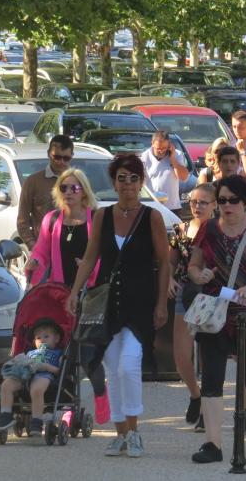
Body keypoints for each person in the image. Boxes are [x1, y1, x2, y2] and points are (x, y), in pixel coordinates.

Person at [67, 153, 170, 458]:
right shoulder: (103, 216)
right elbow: (90, 257)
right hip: (109, 303)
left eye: (134, 178)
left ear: (141, 182)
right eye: (121, 178)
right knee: (112, 366)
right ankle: (120, 433)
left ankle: (135, 432)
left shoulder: (152, 217)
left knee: (129, 363)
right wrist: (75, 291)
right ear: (113, 182)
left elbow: (164, 262)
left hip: (140, 302)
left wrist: (161, 303)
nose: (127, 184)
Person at [187, 175, 246, 461]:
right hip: (215, 311)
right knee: (212, 378)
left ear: (245, 201)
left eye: (233, 200)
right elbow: (193, 266)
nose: (227, 206)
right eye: (222, 200)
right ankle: (213, 444)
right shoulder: (209, 229)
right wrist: (199, 275)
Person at [25, 168, 109, 424]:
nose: (69, 192)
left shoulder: (96, 218)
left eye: (75, 187)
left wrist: (89, 267)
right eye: (64, 187)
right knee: (66, 352)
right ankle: (69, 406)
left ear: (84, 191)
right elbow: (42, 251)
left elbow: (106, 254)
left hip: (90, 294)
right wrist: (34, 262)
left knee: (88, 353)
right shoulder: (52, 220)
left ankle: (101, 394)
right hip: (61, 293)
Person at [167, 183, 216, 430]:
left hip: (211, 296)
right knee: (181, 356)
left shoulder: (219, 230)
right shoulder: (181, 230)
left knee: (208, 356)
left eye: (203, 202)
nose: (197, 206)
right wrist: (168, 279)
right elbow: (170, 261)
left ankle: (208, 407)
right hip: (185, 293)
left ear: (214, 205)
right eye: (194, 201)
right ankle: (195, 395)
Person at [0, 318, 63, 435]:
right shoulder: (30, 353)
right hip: (24, 375)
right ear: (34, 341)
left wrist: (46, 366)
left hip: (44, 375)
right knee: (6, 385)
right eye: (38, 338)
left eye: (46, 336)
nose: (42, 340)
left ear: (56, 339)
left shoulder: (59, 353)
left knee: (36, 389)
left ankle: (37, 420)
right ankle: (5, 415)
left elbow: (59, 371)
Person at [17, 135, 73, 250]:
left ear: (72, 156)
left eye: (66, 158)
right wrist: (33, 246)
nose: (61, 162)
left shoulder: (78, 182)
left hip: (72, 248)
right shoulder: (33, 181)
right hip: (44, 248)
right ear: (48, 154)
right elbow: (22, 220)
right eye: (56, 157)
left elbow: (88, 216)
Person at [141, 131, 189, 218]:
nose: (161, 151)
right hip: (151, 206)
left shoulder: (177, 154)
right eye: (158, 148)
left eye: (164, 148)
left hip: (172, 207)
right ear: (152, 143)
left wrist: (172, 159)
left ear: (169, 145)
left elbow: (183, 177)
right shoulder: (144, 157)